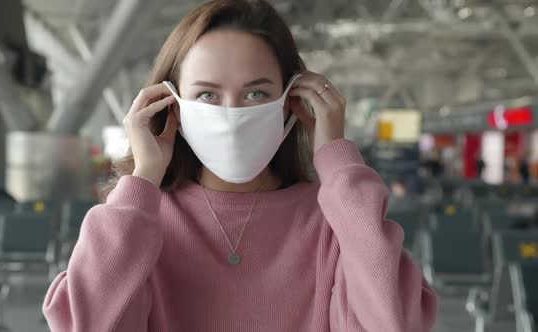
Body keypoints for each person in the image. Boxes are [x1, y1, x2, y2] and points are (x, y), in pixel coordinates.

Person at [43, 1, 438, 331]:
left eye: (255, 92)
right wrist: (143, 178)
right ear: (172, 106)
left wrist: (337, 160)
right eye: (208, 95)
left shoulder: (334, 222)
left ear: (290, 101)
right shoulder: (140, 222)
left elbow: (394, 321)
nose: (231, 114)